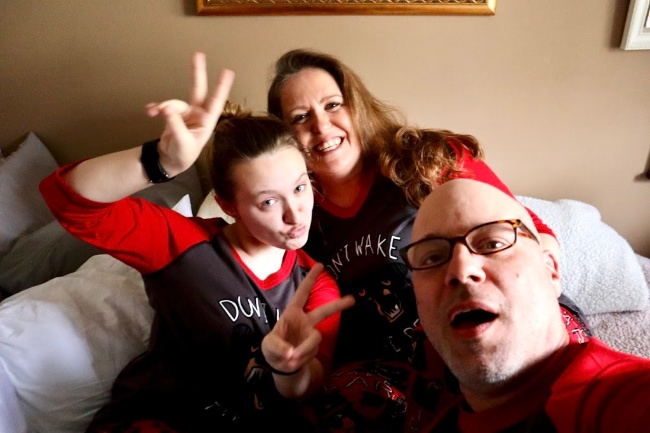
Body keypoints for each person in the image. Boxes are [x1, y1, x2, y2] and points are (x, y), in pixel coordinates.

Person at [266, 48, 590, 432]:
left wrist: (541, 278)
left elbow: (533, 231)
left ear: (357, 106)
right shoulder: (295, 216)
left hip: (496, 315)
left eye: (333, 105)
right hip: (400, 365)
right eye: (300, 117)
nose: (321, 126)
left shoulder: (427, 157)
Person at [40, 52, 354, 433]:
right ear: (228, 205)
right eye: (268, 202)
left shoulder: (314, 284)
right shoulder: (183, 244)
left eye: (300, 188)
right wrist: (160, 162)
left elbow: (308, 386)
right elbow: (68, 200)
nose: (295, 214)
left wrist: (289, 369)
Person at [402, 178, 650, 432]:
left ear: (551, 270)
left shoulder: (620, 397)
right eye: (432, 257)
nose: (461, 270)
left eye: (493, 244)